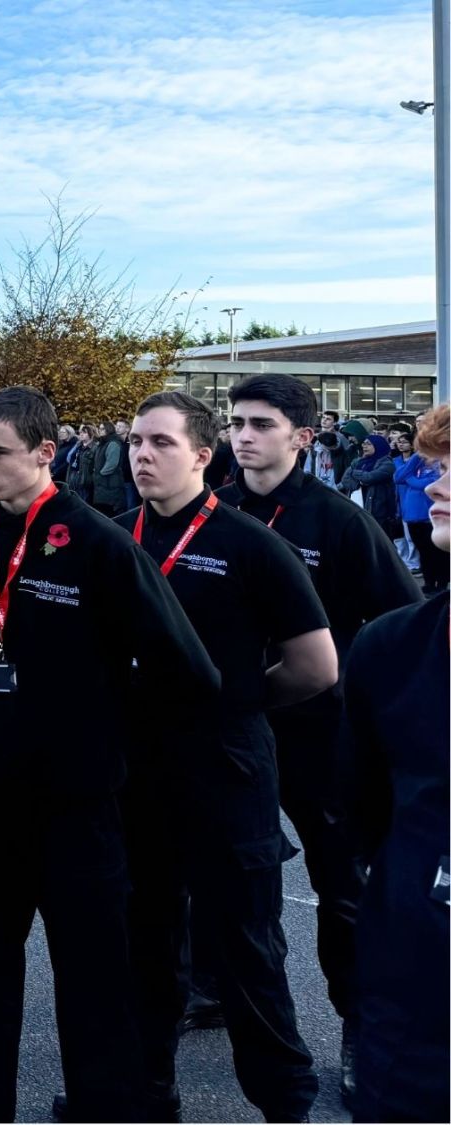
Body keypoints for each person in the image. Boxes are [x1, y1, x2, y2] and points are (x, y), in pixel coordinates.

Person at [0, 386, 218, 1121]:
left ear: (44, 453)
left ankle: (105, 1107)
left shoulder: (103, 543)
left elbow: (188, 671)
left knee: (94, 985)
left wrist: (96, 722)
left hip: (78, 808)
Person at [115, 391, 335, 1122]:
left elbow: (316, 665)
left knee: (247, 950)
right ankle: (146, 1092)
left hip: (227, 768)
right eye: (135, 441)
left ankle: (285, 1102)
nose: (141, 455)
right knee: (144, 939)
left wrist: (237, 702)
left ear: (203, 457)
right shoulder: (113, 539)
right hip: (137, 773)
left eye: (161, 443)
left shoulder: (250, 545)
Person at [214, 378, 423, 1100]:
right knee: (215, 868)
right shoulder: (214, 509)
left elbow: (405, 623)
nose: (243, 436)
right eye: (236, 422)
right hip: (230, 732)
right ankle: (212, 988)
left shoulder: (337, 522)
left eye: (262, 424)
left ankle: (360, 1021)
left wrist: (365, 707)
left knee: (343, 889)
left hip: (319, 736)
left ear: (302, 437)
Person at [344, 403, 449, 1124]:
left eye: (450, 470)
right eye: (438, 466)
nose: (435, 485)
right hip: (411, 995)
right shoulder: (393, 645)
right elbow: (366, 805)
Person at [394, 431, 446, 592]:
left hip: (429, 515)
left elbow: (428, 483)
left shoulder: (441, 462)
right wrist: (415, 459)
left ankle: (441, 584)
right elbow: (397, 477)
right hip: (412, 515)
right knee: (423, 552)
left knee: (438, 552)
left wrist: (410, 479)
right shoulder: (417, 461)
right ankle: (429, 583)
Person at [340, 433, 400, 540]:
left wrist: (355, 473)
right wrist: (360, 481)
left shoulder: (387, 463)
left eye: (368, 444)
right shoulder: (358, 461)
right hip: (357, 505)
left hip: (377, 510)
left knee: (377, 540)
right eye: (363, 444)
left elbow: (370, 477)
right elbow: (345, 480)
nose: (364, 446)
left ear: (378, 445)